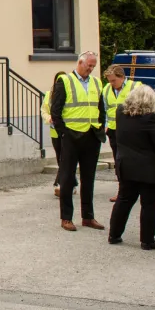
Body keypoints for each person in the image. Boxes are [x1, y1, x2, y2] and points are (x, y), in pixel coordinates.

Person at [107, 83, 155, 250]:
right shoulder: (150, 118)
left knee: (124, 200)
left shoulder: (120, 113)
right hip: (148, 169)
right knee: (149, 204)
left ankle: (114, 235)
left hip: (125, 164)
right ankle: (147, 240)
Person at [49, 51, 107, 231]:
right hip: (72, 136)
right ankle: (66, 217)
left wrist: (99, 127)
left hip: (91, 135)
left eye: (93, 66)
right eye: (89, 65)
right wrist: (64, 133)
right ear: (80, 63)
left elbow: (100, 108)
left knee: (89, 178)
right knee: (67, 177)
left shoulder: (97, 82)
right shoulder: (65, 81)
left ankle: (88, 216)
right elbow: (55, 111)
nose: (91, 69)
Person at [102, 64, 135, 203]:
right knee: (118, 161)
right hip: (114, 131)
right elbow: (104, 109)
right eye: (109, 80)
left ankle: (134, 189)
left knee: (132, 160)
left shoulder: (134, 88)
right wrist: (105, 126)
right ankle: (122, 190)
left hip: (131, 131)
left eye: (113, 80)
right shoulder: (106, 89)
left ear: (122, 77)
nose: (111, 83)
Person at [42, 71, 69, 197]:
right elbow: (44, 110)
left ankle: (62, 183)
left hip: (67, 130)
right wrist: (49, 118)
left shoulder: (69, 93)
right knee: (60, 158)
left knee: (66, 158)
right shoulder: (49, 94)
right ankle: (68, 181)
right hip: (55, 132)